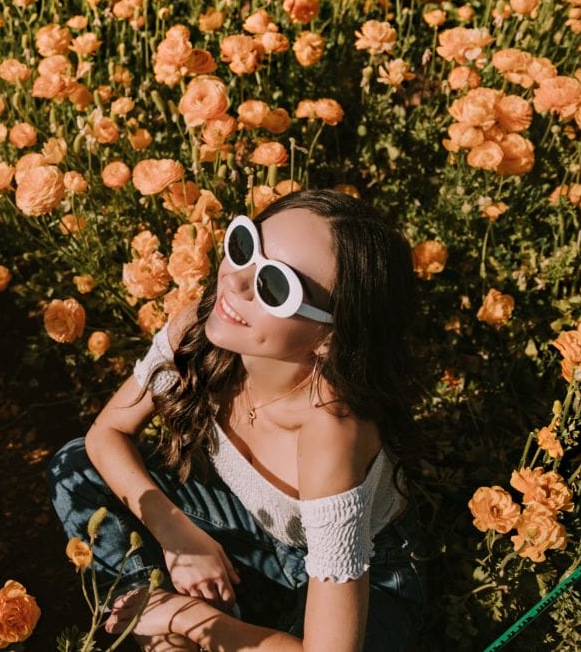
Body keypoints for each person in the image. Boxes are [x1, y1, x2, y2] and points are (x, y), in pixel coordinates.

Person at [48, 189, 425, 651]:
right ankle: (148, 612)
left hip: (367, 574)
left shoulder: (331, 433)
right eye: (246, 246)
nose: (238, 282)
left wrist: (190, 617)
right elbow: (106, 434)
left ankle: (171, 623)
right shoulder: (199, 329)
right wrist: (176, 532)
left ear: (330, 336)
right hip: (249, 526)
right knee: (75, 469)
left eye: (276, 286)